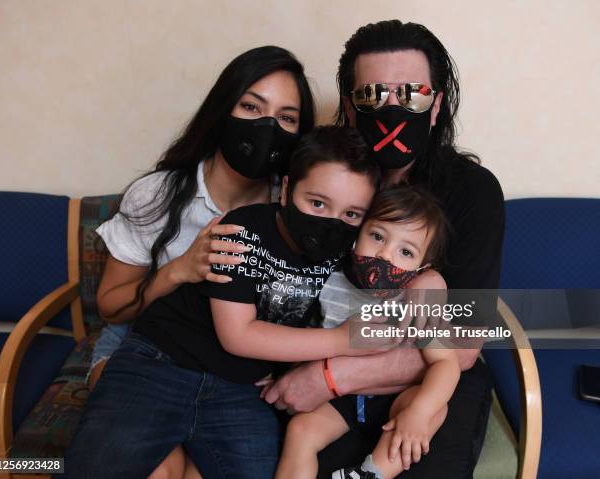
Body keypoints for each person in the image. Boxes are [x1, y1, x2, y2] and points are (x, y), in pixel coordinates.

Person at [62, 126, 381, 479]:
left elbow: (407, 268)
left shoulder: (348, 252)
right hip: (161, 364)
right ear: (288, 190)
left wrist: (430, 283)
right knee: (91, 468)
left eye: (351, 215)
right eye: (317, 203)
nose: (331, 224)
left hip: (241, 391)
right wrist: (343, 341)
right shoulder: (241, 230)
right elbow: (238, 335)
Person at [261, 20, 505, 478]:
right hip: (322, 371)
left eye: (411, 94)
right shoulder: (330, 184)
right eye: (373, 96)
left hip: (427, 378)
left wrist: (331, 376)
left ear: (435, 106)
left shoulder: (473, 191)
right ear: (351, 110)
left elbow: (465, 344)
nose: (392, 109)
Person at [84, 45, 315, 479]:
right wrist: (179, 270)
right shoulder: (160, 194)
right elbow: (110, 308)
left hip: (234, 371)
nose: (267, 126)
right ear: (222, 110)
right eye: (251, 106)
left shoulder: (298, 210)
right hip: (143, 348)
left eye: (286, 117)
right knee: (159, 469)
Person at [275, 185, 458, 479]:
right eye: (377, 236)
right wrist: (276, 369)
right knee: (300, 431)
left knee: (434, 409)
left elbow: (446, 363)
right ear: (357, 234)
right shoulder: (330, 279)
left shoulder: (415, 303)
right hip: (341, 398)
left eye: (405, 251)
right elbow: (304, 333)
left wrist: (419, 412)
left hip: (393, 397)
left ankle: (370, 474)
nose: (385, 255)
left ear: (423, 267)